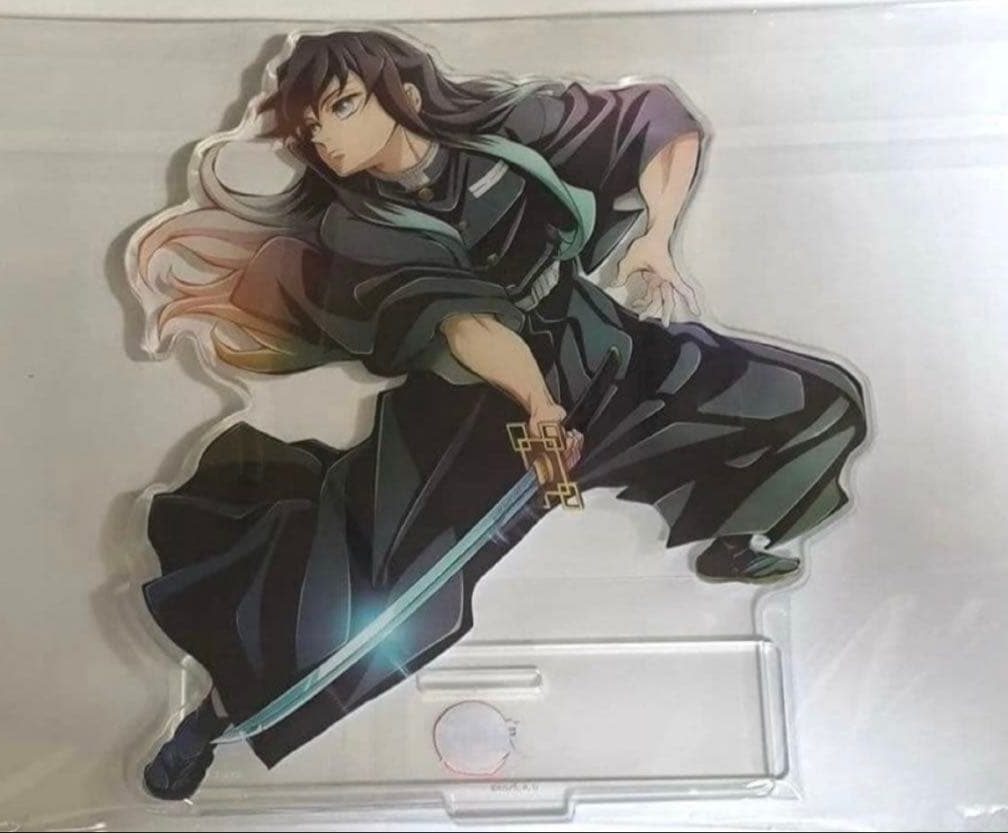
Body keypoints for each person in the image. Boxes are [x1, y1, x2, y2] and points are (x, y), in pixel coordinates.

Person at [131, 30, 867, 800]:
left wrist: (657, 234)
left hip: (599, 349)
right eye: (310, 126)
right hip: (469, 416)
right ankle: (216, 715)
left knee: (811, 404)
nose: (325, 137)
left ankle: (738, 538)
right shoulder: (358, 227)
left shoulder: (504, 130)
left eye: (341, 106)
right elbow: (465, 326)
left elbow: (657, 121)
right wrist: (539, 403)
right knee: (396, 605)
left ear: (402, 93)